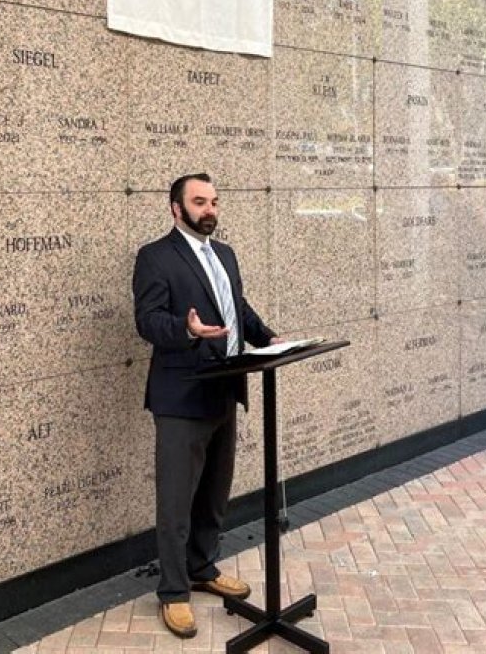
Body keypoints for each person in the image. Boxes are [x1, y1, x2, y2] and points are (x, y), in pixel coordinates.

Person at [133, 173, 282, 638]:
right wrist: (187, 328)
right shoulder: (155, 257)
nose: (209, 209)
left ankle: (201, 567)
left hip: (224, 389)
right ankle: (174, 592)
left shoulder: (225, 255)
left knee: (214, 494)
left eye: (214, 201)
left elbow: (238, 308)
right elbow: (147, 321)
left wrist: (269, 338)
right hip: (181, 396)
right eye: (199, 202)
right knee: (176, 501)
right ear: (176, 208)